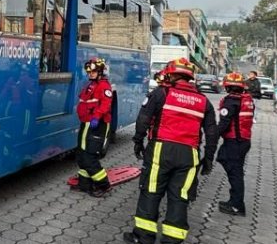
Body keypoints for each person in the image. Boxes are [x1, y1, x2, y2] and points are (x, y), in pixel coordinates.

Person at [123, 57, 217, 244]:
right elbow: (212, 133)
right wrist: (208, 159)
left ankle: (143, 237)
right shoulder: (203, 101)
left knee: (151, 191)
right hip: (189, 154)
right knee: (180, 196)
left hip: (161, 149)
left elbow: (143, 119)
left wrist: (137, 141)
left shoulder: (161, 93)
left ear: (172, 74)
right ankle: (172, 239)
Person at [215, 72, 254, 217]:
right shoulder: (247, 99)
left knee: (235, 173)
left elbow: (224, 123)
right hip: (243, 140)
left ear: (227, 87)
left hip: (234, 141)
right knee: (229, 164)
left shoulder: (231, 101)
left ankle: (237, 205)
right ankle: (234, 201)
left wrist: (213, 135)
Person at [74, 58, 114, 196]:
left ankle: (104, 185)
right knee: (81, 154)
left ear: (100, 72)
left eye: (93, 71)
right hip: (86, 124)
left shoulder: (104, 86)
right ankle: (84, 184)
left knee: (90, 156)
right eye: (89, 71)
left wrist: (97, 116)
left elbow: (106, 104)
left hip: (98, 125)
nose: (90, 74)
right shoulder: (90, 85)